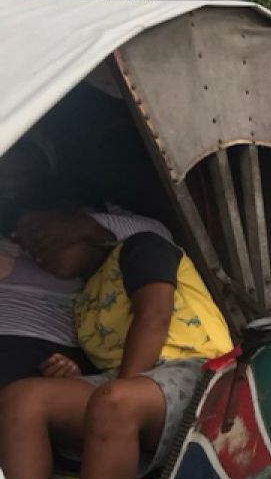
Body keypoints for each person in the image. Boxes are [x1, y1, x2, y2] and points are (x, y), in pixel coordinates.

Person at [0, 209, 231, 479]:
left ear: (82, 228)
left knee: (114, 401)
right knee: (23, 399)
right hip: (128, 388)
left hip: (198, 372)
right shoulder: (82, 298)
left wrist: (111, 389)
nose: (40, 250)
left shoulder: (141, 248)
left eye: (46, 235)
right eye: (31, 244)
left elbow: (154, 315)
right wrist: (75, 378)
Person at [0, 140, 173, 389]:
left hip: (48, 348)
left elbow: (158, 235)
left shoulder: (89, 217)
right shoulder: (13, 235)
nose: (12, 185)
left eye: (25, 174)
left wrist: (84, 226)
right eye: (4, 173)